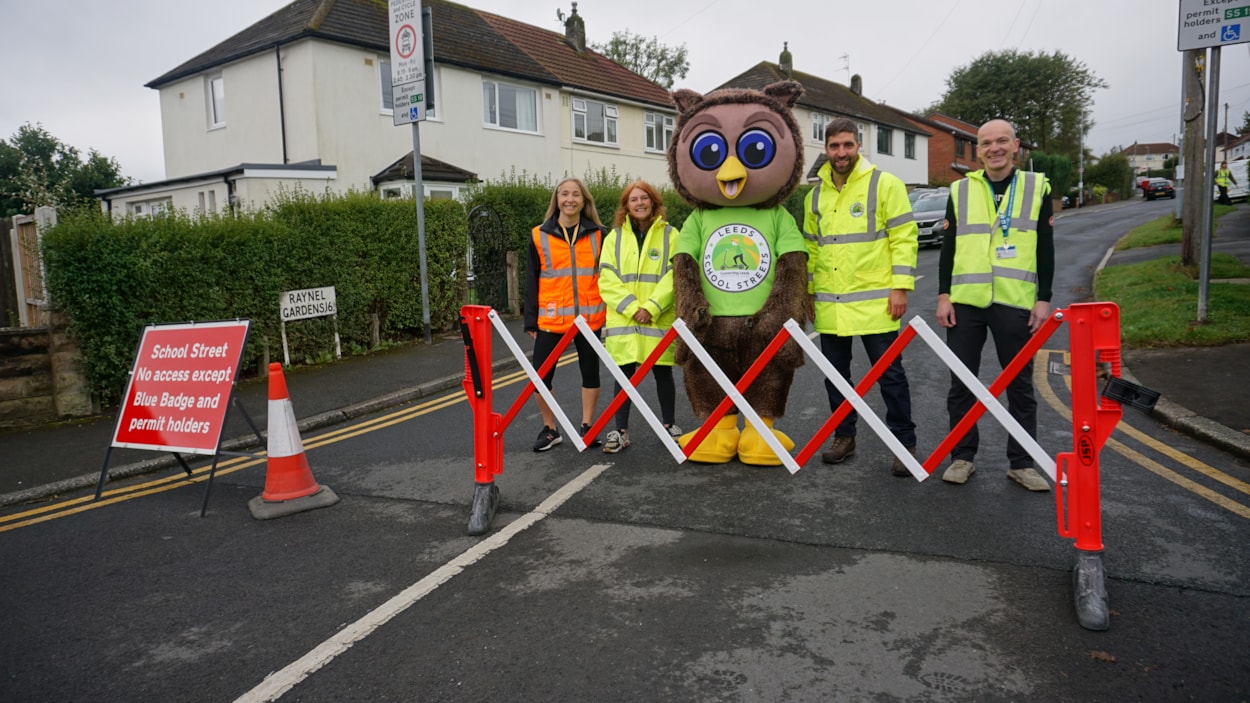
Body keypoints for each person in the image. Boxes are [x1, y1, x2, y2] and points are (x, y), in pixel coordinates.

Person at [936, 118, 1054, 492]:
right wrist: (943, 295)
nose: (995, 148)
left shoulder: (1037, 187)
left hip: (1014, 301)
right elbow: (949, 247)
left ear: (1015, 145)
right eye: (986, 143)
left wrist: (1044, 298)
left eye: (1002, 141)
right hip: (966, 301)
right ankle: (962, 458)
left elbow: (1046, 247)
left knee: (1019, 385)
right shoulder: (960, 189)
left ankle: (1021, 463)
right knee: (961, 385)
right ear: (978, 149)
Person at [804, 118, 919, 475]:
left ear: (859, 146)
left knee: (890, 376)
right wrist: (808, 291)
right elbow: (811, 246)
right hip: (831, 302)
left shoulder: (885, 184)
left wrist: (900, 287)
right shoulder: (814, 194)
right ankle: (844, 436)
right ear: (825, 150)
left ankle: (904, 444)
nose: (841, 153)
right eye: (835, 146)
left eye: (847, 145)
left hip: (876, 302)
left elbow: (903, 237)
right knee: (835, 376)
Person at [598, 181, 683, 453]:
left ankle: (669, 426)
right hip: (625, 320)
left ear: (654, 202)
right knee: (623, 376)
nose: (639, 203)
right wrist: (635, 308)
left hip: (657, 318)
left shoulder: (671, 235)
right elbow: (607, 279)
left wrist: (653, 307)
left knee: (662, 372)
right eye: (633, 199)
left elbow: (676, 276)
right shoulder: (613, 238)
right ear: (626, 206)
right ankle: (620, 431)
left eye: (644, 198)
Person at [524, 177, 607, 452]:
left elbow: (606, 276)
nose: (569, 199)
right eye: (564, 194)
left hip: (589, 316)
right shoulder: (539, 234)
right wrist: (530, 319)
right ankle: (550, 429)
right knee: (541, 376)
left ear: (584, 201)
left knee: (590, 373)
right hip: (551, 318)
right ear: (556, 199)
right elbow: (531, 279)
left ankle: (587, 426)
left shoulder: (599, 234)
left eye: (575, 195)